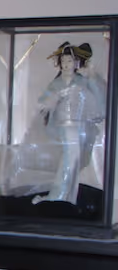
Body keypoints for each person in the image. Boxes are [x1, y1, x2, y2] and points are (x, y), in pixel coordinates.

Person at [31, 42, 107, 205]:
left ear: (76, 63)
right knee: (70, 159)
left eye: (70, 61)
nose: (66, 65)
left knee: (72, 160)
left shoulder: (81, 81)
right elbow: (43, 101)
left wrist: (92, 75)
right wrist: (52, 99)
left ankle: (66, 196)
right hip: (65, 125)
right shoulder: (57, 83)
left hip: (79, 124)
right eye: (64, 61)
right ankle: (59, 195)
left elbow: (98, 94)